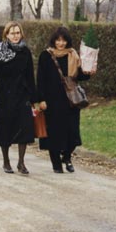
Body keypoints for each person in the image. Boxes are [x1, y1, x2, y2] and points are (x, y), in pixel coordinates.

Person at [36, 27, 95, 173]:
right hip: (52, 101)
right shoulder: (45, 56)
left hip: (71, 101)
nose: (61, 43)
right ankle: (56, 164)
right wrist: (41, 99)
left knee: (73, 134)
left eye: (63, 40)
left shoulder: (73, 55)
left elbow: (79, 76)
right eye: (58, 40)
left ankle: (67, 157)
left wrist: (88, 72)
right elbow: (40, 79)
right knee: (54, 134)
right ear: (53, 41)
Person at [0, 21, 38, 174]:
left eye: (18, 33)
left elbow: (30, 76)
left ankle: (21, 162)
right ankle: (6, 161)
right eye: (12, 33)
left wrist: (34, 98)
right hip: (5, 94)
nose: (15, 36)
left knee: (25, 128)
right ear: (6, 34)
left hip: (23, 94)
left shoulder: (25, 51)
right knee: (5, 128)